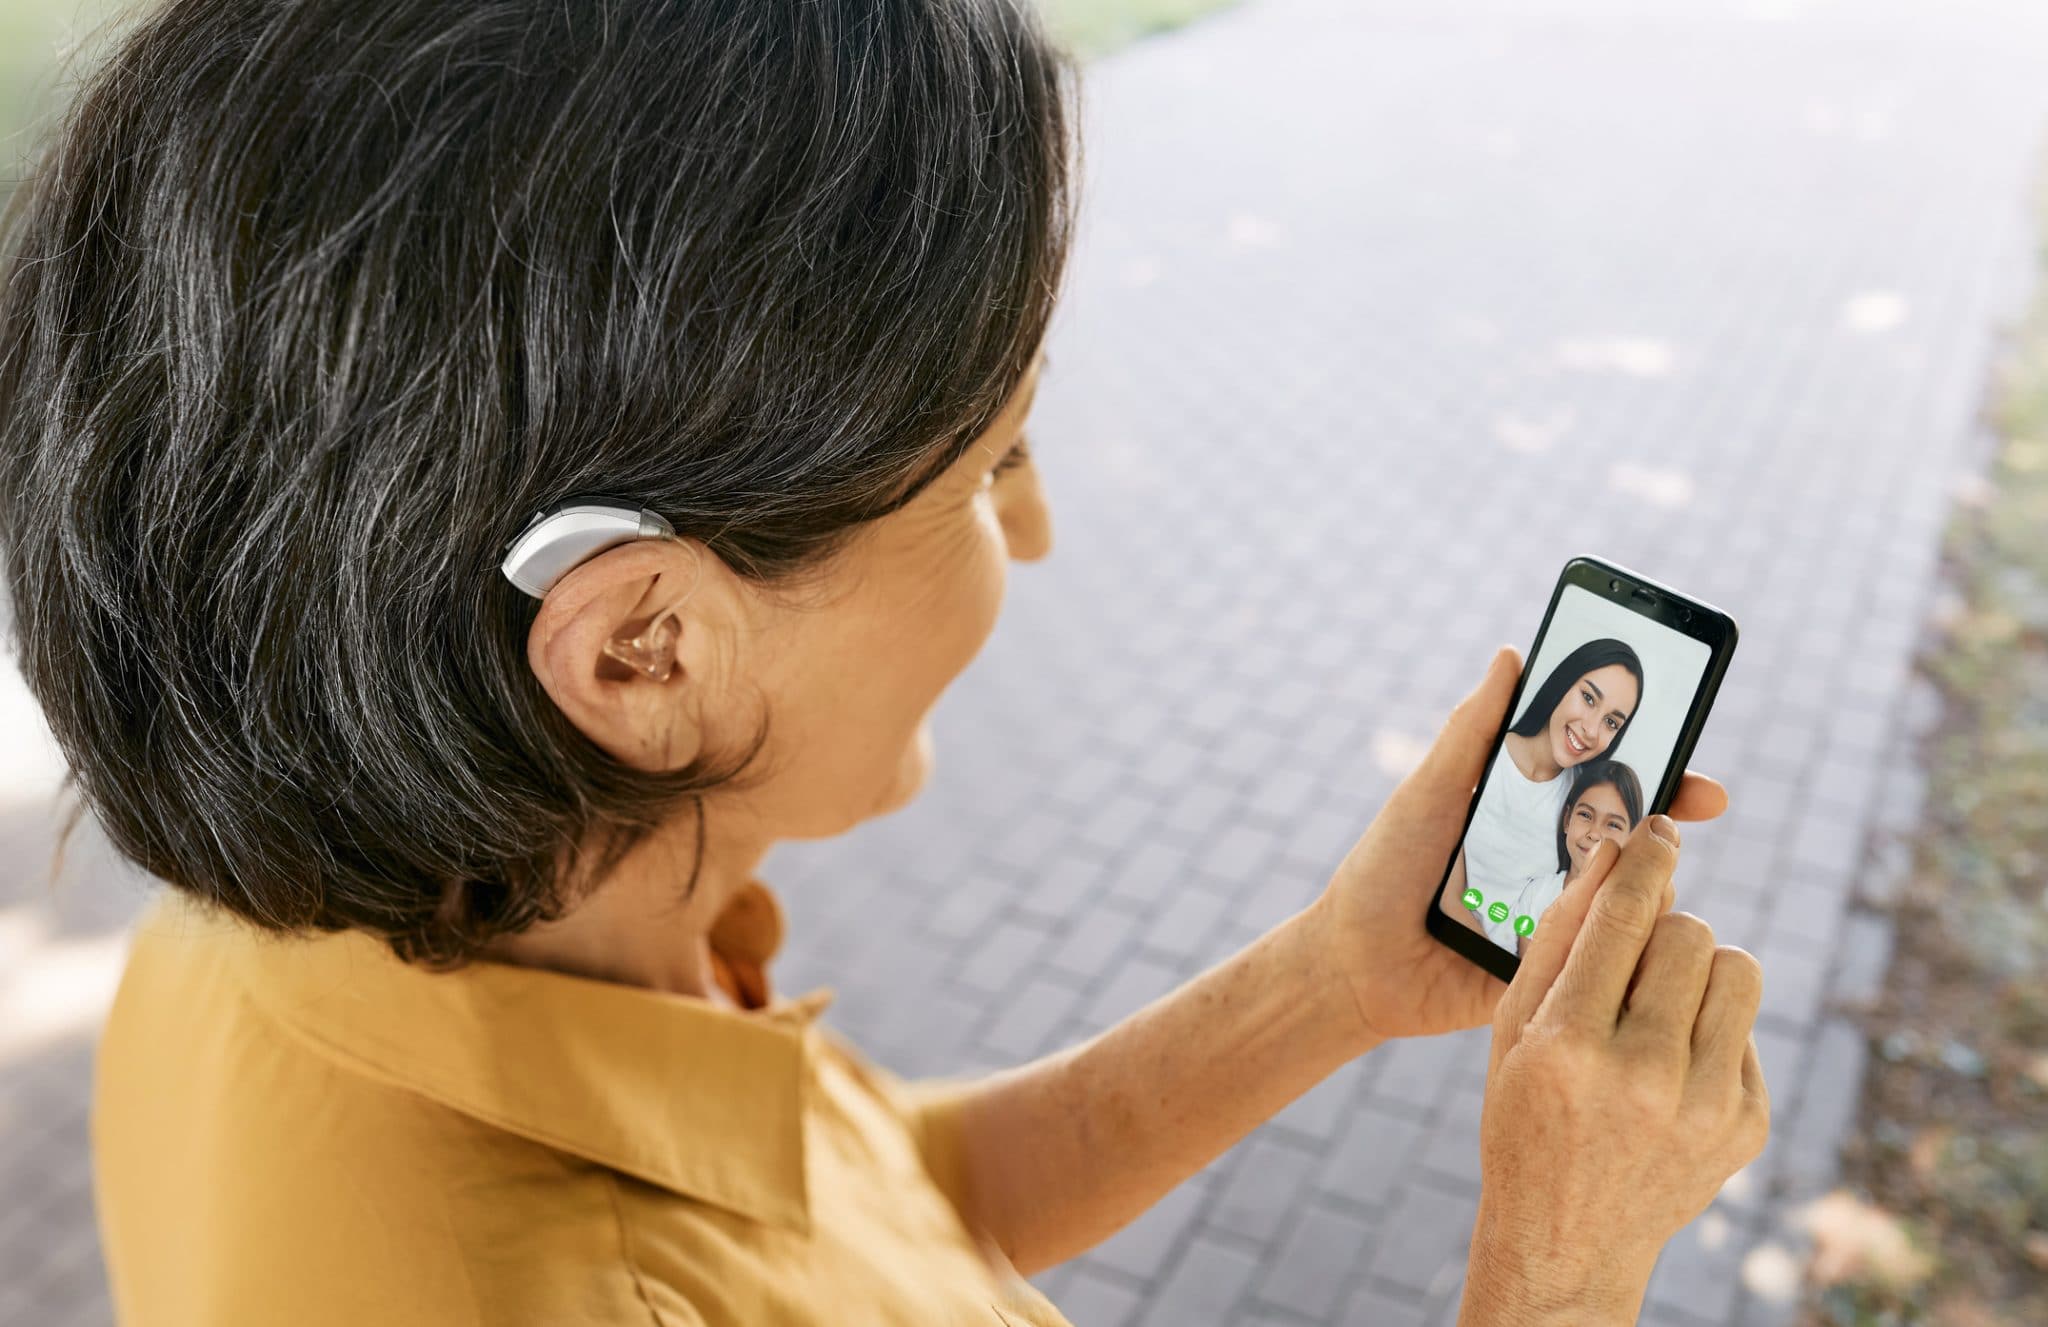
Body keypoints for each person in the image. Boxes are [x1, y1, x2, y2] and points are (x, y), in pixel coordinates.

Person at [0, 2, 1767, 1324]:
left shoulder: (316, 909)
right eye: (992, 461)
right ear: (645, 643)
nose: (1043, 526)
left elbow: (883, 1218)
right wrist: (1561, 1263)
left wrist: (1329, 979)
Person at [1447, 637, 1644, 915]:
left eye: (1611, 722)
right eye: (1588, 698)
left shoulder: (1585, 803)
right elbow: (1445, 895)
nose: (1591, 729)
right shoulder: (1483, 755)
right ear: (1563, 683)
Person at [1477, 759, 1645, 953]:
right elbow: (1524, 970)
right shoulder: (1538, 893)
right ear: (1567, 820)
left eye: (1613, 825)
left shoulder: (1622, 914)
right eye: (1586, 815)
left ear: (1631, 839)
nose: (1595, 834)